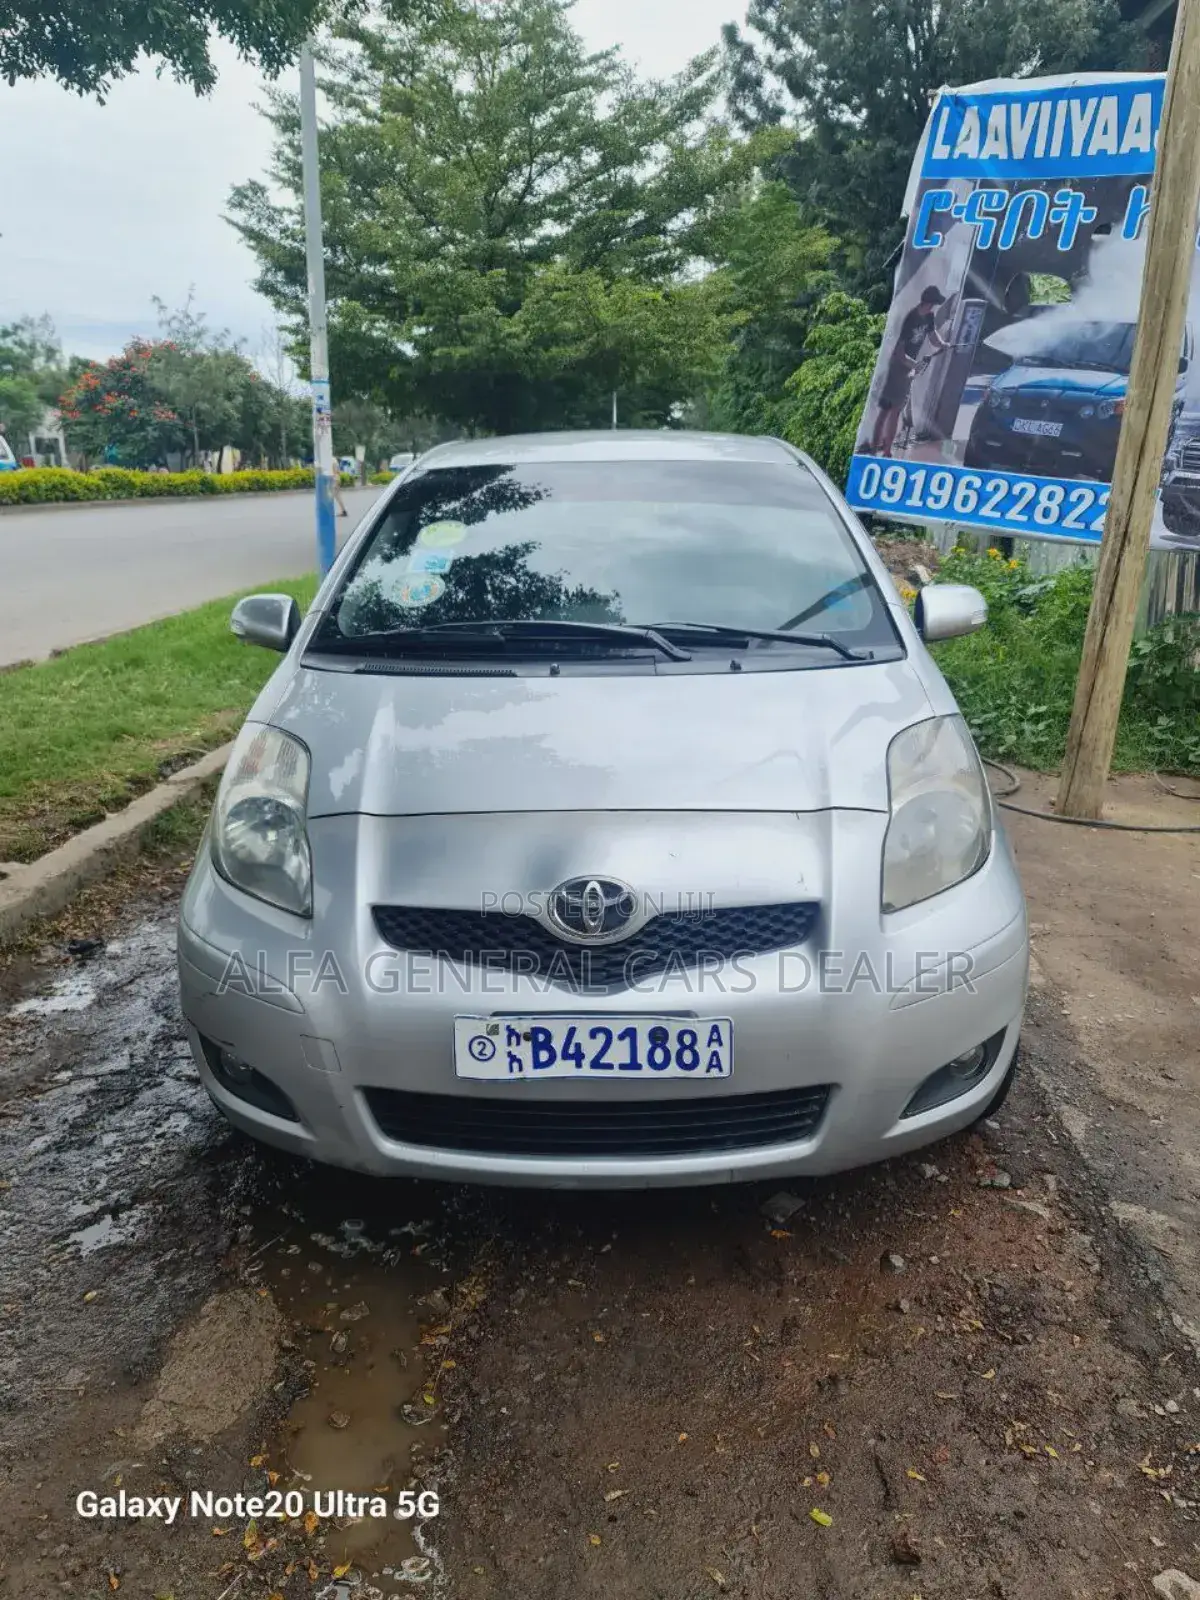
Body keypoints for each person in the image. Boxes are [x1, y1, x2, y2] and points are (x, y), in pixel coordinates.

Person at [871, 286, 952, 458]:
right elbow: (899, 352)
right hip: (898, 367)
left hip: (908, 368)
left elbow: (933, 336)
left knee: (895, 410)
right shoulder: (911, 319)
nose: (934, 307)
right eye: (933, 303)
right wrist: (914, 365)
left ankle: (885, 450)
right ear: (928, 302)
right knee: (887, 409)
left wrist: (943, 344)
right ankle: (879, 449)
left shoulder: (929, 317)